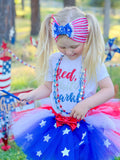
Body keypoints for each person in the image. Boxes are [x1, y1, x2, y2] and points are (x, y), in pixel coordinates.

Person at [11, 6, 120, 160]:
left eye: (74, 47)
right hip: (56, 123)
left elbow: (108, 90)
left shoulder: (92, 60)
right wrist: (31, 95)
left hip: (84, 124)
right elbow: (48, 87)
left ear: (85, 39)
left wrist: (86, 104)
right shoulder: (54, 60)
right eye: (62, 47)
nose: (68, 52)